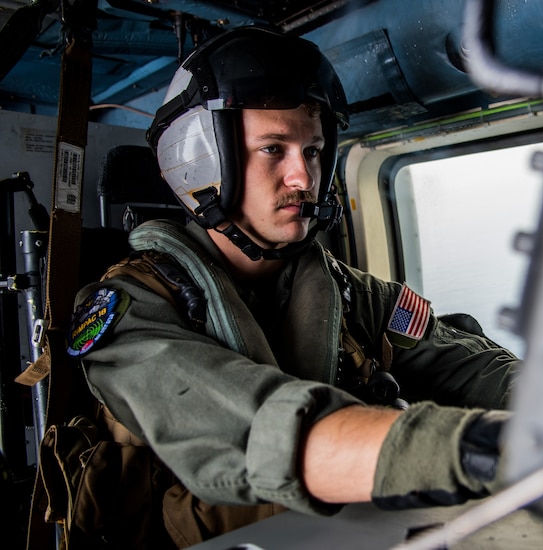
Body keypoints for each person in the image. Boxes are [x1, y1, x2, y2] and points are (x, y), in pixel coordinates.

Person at [67, 26, 518, 547]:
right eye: (273, 149)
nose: (303, 178)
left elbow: (471, 366)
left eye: (314, 150)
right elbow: (258, 427)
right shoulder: (130, 312)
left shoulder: (352, 295)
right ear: (202, 163)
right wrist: (468, 449)